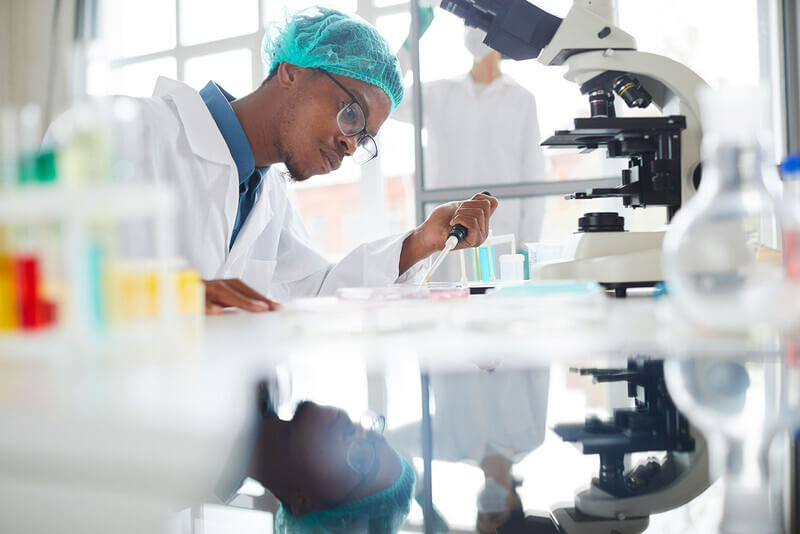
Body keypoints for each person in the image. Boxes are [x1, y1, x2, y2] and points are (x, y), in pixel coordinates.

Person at [45, 7, 498, 313]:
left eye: (364, 138)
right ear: (290, 72)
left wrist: (421, 241)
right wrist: (170, 300)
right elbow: (34, 271)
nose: (350, 143)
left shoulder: (267, 197)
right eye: (352, 111)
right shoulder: (114, 130)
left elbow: (318, 293)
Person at [394, 21, 548, 281]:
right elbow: (387, 98)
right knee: (446, 311)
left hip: (501, 238)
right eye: (472, 22)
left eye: (486, 22)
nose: (476, 30)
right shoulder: (439, 93)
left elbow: (533, 173)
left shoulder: (521, 100)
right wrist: (410, 43)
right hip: (442, 234)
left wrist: (526, 245)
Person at [214, 382, 416, 534]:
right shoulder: (270, 375)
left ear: (305, 505)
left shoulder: (199, 478)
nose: (354, 428)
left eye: (361, 458)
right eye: (371, 433)